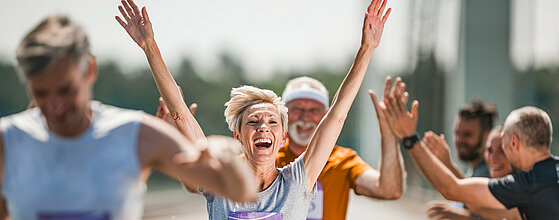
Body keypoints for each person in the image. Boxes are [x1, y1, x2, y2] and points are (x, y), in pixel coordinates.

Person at [115, 0, 391, 218]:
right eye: (253, 122)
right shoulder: (219, 178)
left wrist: (366, 49)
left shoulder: (297, 180)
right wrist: (149, 46)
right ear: (237, 135)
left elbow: (337, 115)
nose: (263, 128)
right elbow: (180, 114)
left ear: (282, 138)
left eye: (272, 123)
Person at [0, 14, 257, 219]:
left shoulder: (137, 134)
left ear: (90, 70)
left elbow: (240, 191)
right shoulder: (8, 141)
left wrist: (225, 152)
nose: (55, 105)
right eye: (41, 93)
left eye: (66, 90)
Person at [381, 77, 559, 220]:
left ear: (514, 143)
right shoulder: (536, 185)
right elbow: (498, 213)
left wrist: (409, 138)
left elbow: (452, 189)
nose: (496, 157)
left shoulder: (526, 185)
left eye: (503, 147)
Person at [276, 76, 405, 220]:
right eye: (297, 109)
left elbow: (389, 190)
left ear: (326, 115)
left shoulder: (343, 160)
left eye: (314, 110)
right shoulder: (263, 160)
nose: (305, 118)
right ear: (283, 115)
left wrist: (388, 131)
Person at [425, 128, 521, 220]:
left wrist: (412, 141)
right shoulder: (498, 185)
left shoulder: (523, 190)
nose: (493, 158)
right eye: (489, 150)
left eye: (502, 151)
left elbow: (476, 204)